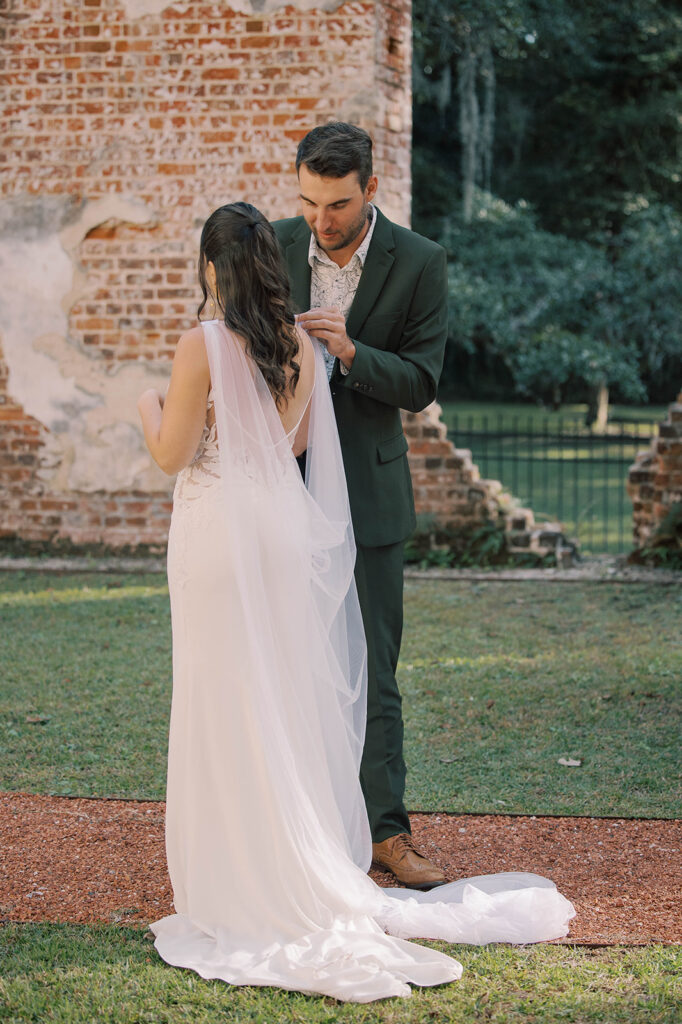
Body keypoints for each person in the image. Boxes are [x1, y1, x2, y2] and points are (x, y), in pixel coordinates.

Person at [137, 201, 574, 1003]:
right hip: (273, 534)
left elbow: (172, 453)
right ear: (273, 263)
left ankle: (237, 875)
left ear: (209, 268)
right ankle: (286, 855)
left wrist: (145, 410)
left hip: (215, 535)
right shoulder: (303, 344)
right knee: (273, 691)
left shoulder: (199, 343)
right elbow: (294, 446)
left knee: (221, 695)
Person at [273, 122, 449, 888]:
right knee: (281, 658)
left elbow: (420, 382)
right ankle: (294, 828)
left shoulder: (420, 262)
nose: (322, 220)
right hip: (280, 489)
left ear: (371, 189)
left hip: (370, 495)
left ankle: (387, 835)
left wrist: (350, 352)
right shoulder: (271, 244)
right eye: (309, 201)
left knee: (376, 666)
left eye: (338, 203)